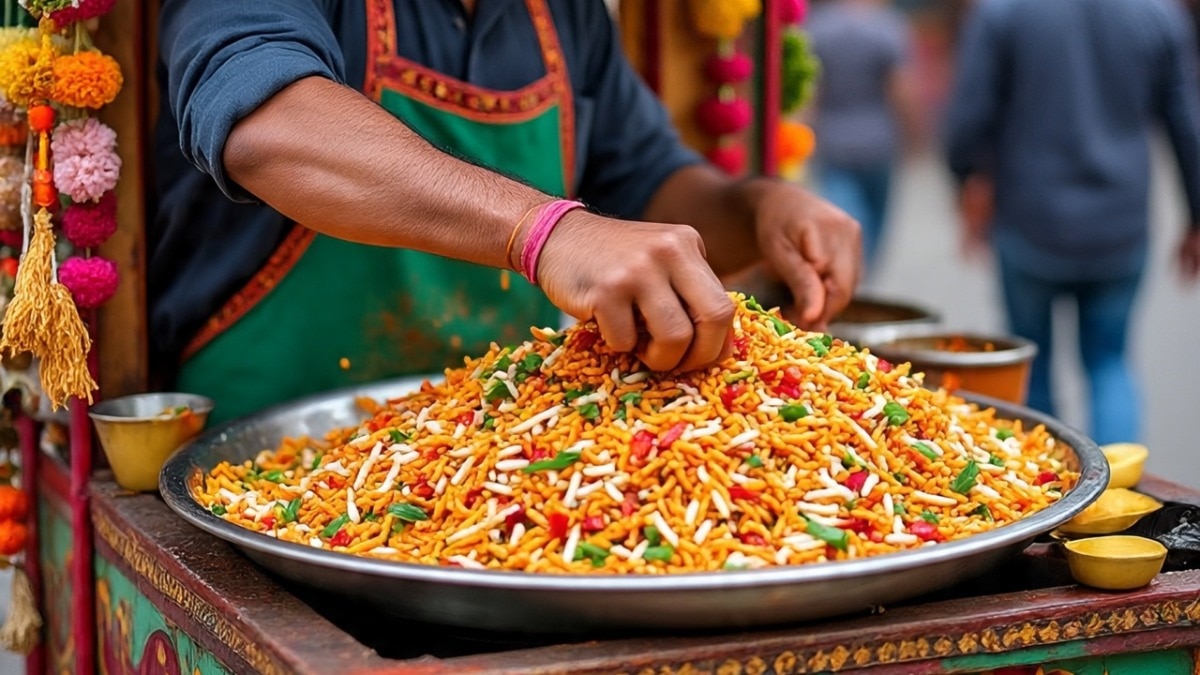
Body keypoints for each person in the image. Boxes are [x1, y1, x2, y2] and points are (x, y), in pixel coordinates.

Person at [151, 0, 861, 424]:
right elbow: (266, 124)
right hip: (260, 455)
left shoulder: (560, 13)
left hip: (484, 443)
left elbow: (648, 179)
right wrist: (544, 231)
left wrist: (761, 206)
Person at [945, 0, 1200, 444]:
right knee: (1110, 361)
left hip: (1029, 221)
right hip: (1119, 226)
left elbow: (970, 114)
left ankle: (1052, 494)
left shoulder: (1003, 12)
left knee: (1032, 365)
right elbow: (1186, 120)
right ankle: (1119, 495)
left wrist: (967, 178)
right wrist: (1196, 215)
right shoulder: (1158, 14)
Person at [807, 0, 921, 275]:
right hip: (878, 140)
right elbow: (901, 91)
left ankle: (846, 273)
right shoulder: (887, 26)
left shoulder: (819, 27)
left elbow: (812, 94)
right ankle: (857, 276)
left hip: (833, 139)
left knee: (843, 214)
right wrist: (915, 136)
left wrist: (804, 137)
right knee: (875, 220)